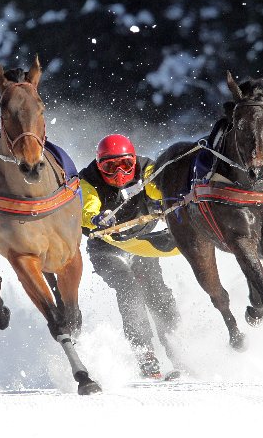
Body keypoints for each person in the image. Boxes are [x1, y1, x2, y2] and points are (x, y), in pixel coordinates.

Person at [79, 133, 181, 379]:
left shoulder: (146, 169)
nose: (118, 174)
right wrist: (95, 219)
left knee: (157, 291)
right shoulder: (88, 179)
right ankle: (144, 352)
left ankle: (176, 344)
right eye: (109, 167)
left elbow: (156, 187)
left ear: (134, 160)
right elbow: (87, 206)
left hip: (139, 243)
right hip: (106, 247)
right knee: (130, 291)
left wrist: (163, 199)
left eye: (125, 165)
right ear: (99, 164)